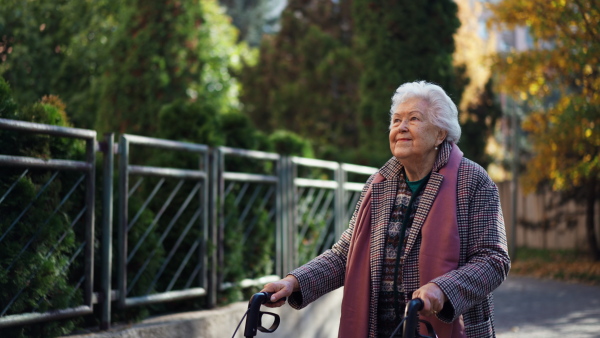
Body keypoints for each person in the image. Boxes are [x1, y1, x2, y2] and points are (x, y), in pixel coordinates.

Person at [261, 81, 511, 338]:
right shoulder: (379, 184)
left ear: (440, 134)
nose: (401, 127)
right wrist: (293, 282)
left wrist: (442, 290)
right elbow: (344, 255)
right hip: (382, 331)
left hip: (445, 329)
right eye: (395, 120)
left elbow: (493, 259)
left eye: (413, 119)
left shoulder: (472, 181)